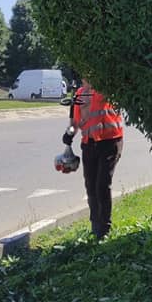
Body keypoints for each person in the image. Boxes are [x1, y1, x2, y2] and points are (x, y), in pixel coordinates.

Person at [62, 78, 124, 240]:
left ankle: (104, 228)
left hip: (110, 142)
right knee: (91, 185)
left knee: (102, 185)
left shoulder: (106, 89)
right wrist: (69, 134)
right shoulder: (80, 94)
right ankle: (95, 225)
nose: (86, 78)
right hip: (89, 144)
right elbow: (75, 121)